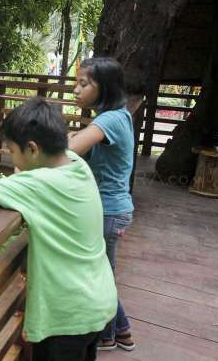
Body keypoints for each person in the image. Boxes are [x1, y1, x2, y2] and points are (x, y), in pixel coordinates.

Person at [0, 97, 117, 361]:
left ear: (33, 149)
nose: (13, 158)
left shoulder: (39, 184)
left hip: (65, 317)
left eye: (12, 150)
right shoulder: (75, 165)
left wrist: (19, 177)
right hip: (97, 301)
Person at [69, 57, 135, 351]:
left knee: (100, 276)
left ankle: (111, 334)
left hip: (109, 209)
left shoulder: (109, 120)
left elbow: (70, 150)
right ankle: (118, 332)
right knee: (102, 273)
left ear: (103, 87)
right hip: (113, 208)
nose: (75, 90)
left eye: (83, 84)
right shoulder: (119, 115)